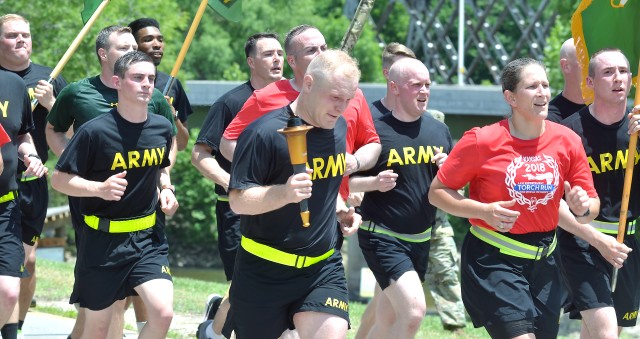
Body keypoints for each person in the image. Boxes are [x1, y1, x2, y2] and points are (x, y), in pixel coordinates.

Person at [428, 57, 628, 338]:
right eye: (532, 86)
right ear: (510, 96)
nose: (543, 93)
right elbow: (437, 193)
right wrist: (484, 211)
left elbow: (591, 207)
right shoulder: (481, 140)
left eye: (545, 85)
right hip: (493, 259)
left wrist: (583, 207)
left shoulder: (566, 140)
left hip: (546, 263)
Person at [45, 25, 176, 339]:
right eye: (137, 78)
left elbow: (160, 168)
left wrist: (167, 189)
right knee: (100, 328)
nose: (146, 85)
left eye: (150, 79)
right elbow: (59, 179)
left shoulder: (161, 126)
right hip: (102, 241)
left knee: (163, 312)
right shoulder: (94, 131)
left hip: (147, 238)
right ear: (118, 82)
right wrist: (98, 188)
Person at [221, 49, 361, 339]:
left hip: (322, 267)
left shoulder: (338, 127)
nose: (341, 107)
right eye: (335, 97)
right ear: (308, 83)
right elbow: (238, 200)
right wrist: (285, 193)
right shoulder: (263, 133)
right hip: (263, 270)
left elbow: (326, 184)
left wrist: (340, 210)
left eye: (348, 100)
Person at [219, 24, 381, 201]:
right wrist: (267, 174)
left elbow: (372, 144)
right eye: (311, 50)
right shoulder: (266, 97)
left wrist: (356, 163)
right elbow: (228, 142)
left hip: (335, 208)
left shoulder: (352, 95)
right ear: (292, 61)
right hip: (282, 208)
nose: (321, 54)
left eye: (324, 48)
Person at [349, 58, 451, 338]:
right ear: (394, 87)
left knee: (387, 319)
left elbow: (455, 191)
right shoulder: (374, 130)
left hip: (420, 239)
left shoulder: (438, 130)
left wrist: (448, 173)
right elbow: (342, 182)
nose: (424, 91)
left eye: (428, 85)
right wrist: (373, 182)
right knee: (414, 312)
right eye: (416, 84)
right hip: (381, 236)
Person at [192, 32, 284, 339]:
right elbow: (199, 155)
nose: (277, 59)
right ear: (251, 61)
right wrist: (235, 182)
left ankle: (216, 317)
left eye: (281, 53)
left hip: (280, 206)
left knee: (268, 285)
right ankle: (214, 326)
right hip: (236, 210)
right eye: (268, 54)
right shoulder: (231, 102)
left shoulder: (296, 101)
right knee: (245, 282)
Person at [559, 48, 639, 338]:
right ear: (590, 83)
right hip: (581, 241)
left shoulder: (636, 131)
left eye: (623, 71)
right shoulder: (568, 133)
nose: (617, 78)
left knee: (601, 331)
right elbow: (553, 206)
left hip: (625, 242)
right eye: (607, 72)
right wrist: (597, 240)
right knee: (605, 330)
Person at [0, 14, 67, 338]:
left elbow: (69, 132)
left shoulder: (50, 78)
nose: (21, 40)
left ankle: (17, 327)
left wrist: (51, 103)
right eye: (13, 35)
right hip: (5, 184)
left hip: (32, 182)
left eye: (25, 34)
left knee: (27, 262)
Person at [0, 69, 46, 335]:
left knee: (7, 290)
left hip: (6, 206)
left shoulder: (13, 84)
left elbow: (21, 135)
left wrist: (31, 156)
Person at [423, 109, 467, 333]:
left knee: (448, 277)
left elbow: (460, 194)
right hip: (402, 228)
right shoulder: (403, 143)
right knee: (388, 291)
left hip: (437, 229)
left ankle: (455, 327)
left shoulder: (448, 155)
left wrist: (447, 168)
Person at [129, 17, 193, 151]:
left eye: (160, 39)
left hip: (158, 169)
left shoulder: (172, 84)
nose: (157, 44)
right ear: (133, 46)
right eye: (148, 39)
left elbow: (182, 144)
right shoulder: (119, 83)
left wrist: (172, 115)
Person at [369, 42, 416, 120]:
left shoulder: (425, 119)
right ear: (386, 74)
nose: (409, 73)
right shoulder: (367, 117)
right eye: (402, 68)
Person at [547, 38, 586, 123]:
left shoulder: (608, 107)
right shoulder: (550, 120)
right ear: (566, 66)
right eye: (585, 60)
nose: (592, 67)